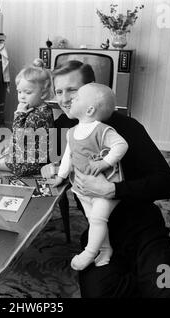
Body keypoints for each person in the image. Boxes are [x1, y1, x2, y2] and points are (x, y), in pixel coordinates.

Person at [41, 60, 170, 298]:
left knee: (165, 295)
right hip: (101, 236)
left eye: (72, 90)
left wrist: (112, 190)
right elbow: (55, 162)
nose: (64, 99)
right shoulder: (63, 125)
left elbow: (168, 185)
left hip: (144, 232)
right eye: (59, 91)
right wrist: (50, 168)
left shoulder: (127, 128)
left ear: (91, 90)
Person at [53, 83, 128, 270]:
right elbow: (67, 158)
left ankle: (90, 252)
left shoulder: (101, 129)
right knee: (93, 219)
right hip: (82, 189)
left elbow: (121, 145)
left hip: (106, 186)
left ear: (90, 109)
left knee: (97, 220)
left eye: (76, 97)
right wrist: (61, 176)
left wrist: (105, 163)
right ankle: (105, 248)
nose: (70, 99)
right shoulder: (72, 132)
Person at [0, 58, 54, 176]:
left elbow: (18, 138)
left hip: (30, 164)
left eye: (28, 93)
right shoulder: (46, 109)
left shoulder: (35, 116)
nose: (22, 97)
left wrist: (18, 115)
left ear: (43, 93)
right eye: (19, 92)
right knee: (6, 150)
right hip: (40, 157)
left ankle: (1, 165)